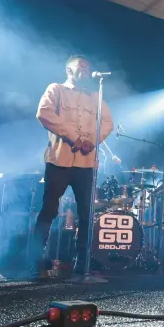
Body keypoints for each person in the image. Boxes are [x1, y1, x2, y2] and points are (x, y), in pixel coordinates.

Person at [32, 55, 114, 275]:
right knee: (49, 209)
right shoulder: (56, 89)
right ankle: (36, 260)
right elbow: (44, 113)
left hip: (86, 164)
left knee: (87, 214)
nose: (86, 69)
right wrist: (72, 136)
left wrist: (92, 140)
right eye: (81, 65)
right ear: (69, 69)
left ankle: (82, 262)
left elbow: (108, 123)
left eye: (88, 66)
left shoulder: (96, 96)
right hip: (59, 160)